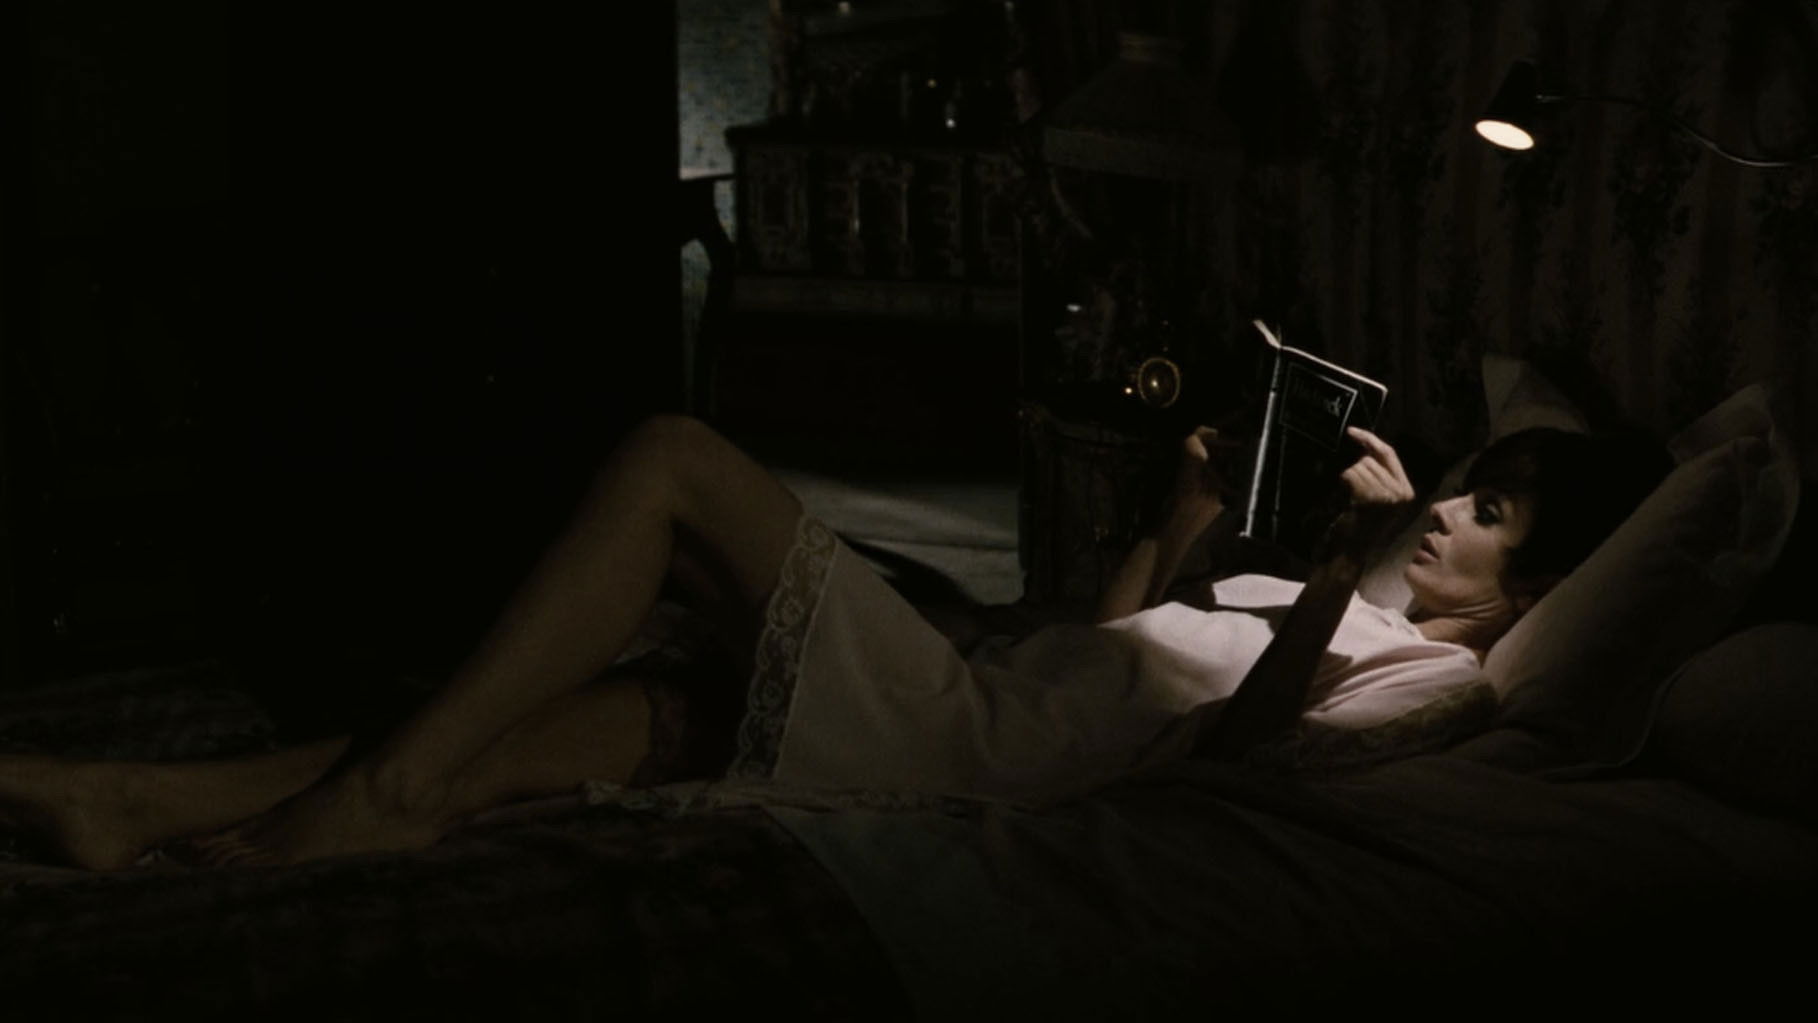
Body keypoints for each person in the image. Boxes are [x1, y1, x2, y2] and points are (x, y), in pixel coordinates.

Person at [0, 414, 1668, 870]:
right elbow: (1101, 651)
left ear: (1527, 588)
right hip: (992, 690)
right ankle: (137, 804)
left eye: (1494, 515)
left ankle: (369, 795)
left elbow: (1242, 768)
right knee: (598, 711)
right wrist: (1179, 526)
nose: (1450, 510)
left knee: (674, 461)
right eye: (1468, 485)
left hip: (964, 749)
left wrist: (1316, 576)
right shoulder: (1301, 600)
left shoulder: (1438, 678)